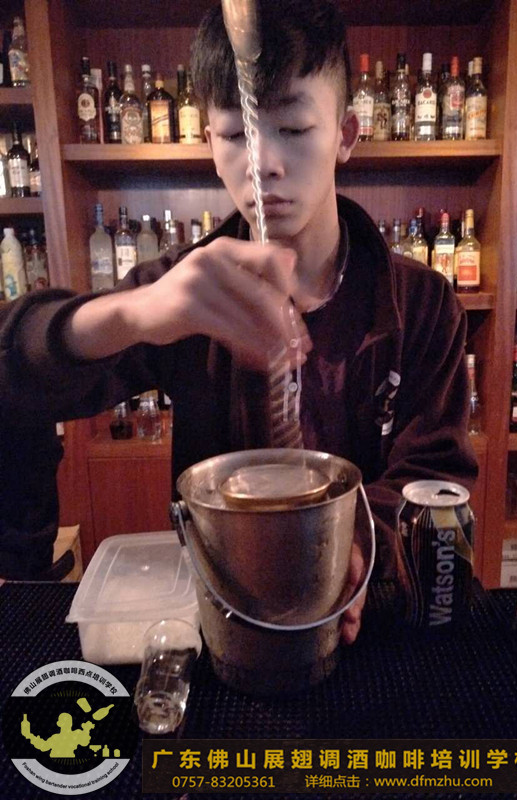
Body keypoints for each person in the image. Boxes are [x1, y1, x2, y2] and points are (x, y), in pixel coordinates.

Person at [0, 0, 477, 641]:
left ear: (346, 134)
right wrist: (134, 314)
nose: (263, 163)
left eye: (295, 129)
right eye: (235, 136)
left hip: (371, 626)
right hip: (225, 624)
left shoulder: (422, 304)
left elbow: (435, 477)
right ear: (208, 143)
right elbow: (14, 370)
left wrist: (359, 541)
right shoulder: (188, 289)